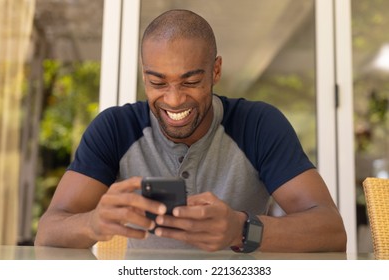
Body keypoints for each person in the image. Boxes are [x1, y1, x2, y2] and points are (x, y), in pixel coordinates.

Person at [35, 9, 347, 252]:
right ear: (144, 75)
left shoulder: (258, 125)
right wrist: (93, 223)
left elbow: (332, 231)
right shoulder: (115, 128)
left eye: (190, 82)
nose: (173, 99)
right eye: (157, 83)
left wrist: (241, 230)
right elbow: (48, 231)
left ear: (215, 71)